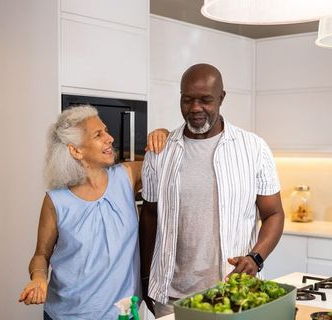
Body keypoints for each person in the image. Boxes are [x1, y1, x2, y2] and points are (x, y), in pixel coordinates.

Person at [139, 63, 285, 317]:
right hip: (171, 296)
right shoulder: (160, 153)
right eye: (187, 100)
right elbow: (150, 216)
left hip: (235, 293)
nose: (195, 108)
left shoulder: (253, 148)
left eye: (205, 100)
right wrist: (143, 279)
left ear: (221, 98)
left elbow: (274, 214)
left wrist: (255, 258)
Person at [18, 105, 166, 319]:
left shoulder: (126, 177)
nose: (110, 138)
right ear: (75, 150)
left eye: (106, 131)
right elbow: (41, 255)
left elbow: (167, 161)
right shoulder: (56, 200)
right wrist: (39, 278)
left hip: (122, 313)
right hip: (67, 314)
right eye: (99, 134)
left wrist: (163, 134)